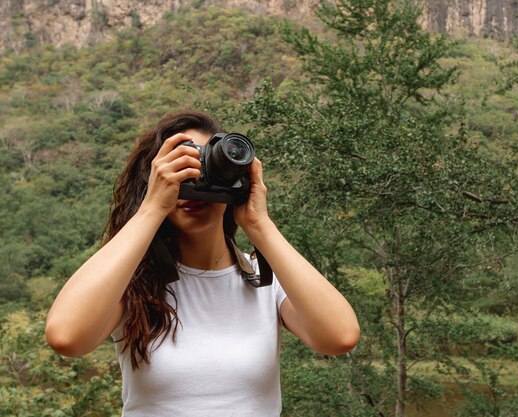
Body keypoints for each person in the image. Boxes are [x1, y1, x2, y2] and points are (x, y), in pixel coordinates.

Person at [45, 110, 360, 416]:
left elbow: (340, 337)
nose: (194, 182)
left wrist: (259, 224)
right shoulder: (133, 283)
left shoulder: (266, 280)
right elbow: (66, 337)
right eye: (181, 169)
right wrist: (152, 208)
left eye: (206, 167)